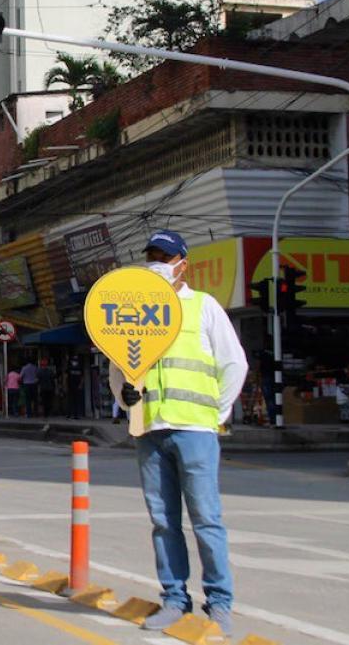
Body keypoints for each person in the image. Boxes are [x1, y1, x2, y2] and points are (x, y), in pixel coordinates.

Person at [109, 230, 246, 637]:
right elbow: (118, 366)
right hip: (150, 429)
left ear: (183, 264)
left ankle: (219, 603)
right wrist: (124, 397)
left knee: (206, 519)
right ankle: (174, 599)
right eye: (151, 255)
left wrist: (216, 413)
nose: (156, 263)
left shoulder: (203, 307)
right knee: (163, 521)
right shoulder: (134, 310)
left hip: (195, 430)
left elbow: (233, 364)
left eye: (164, 257)